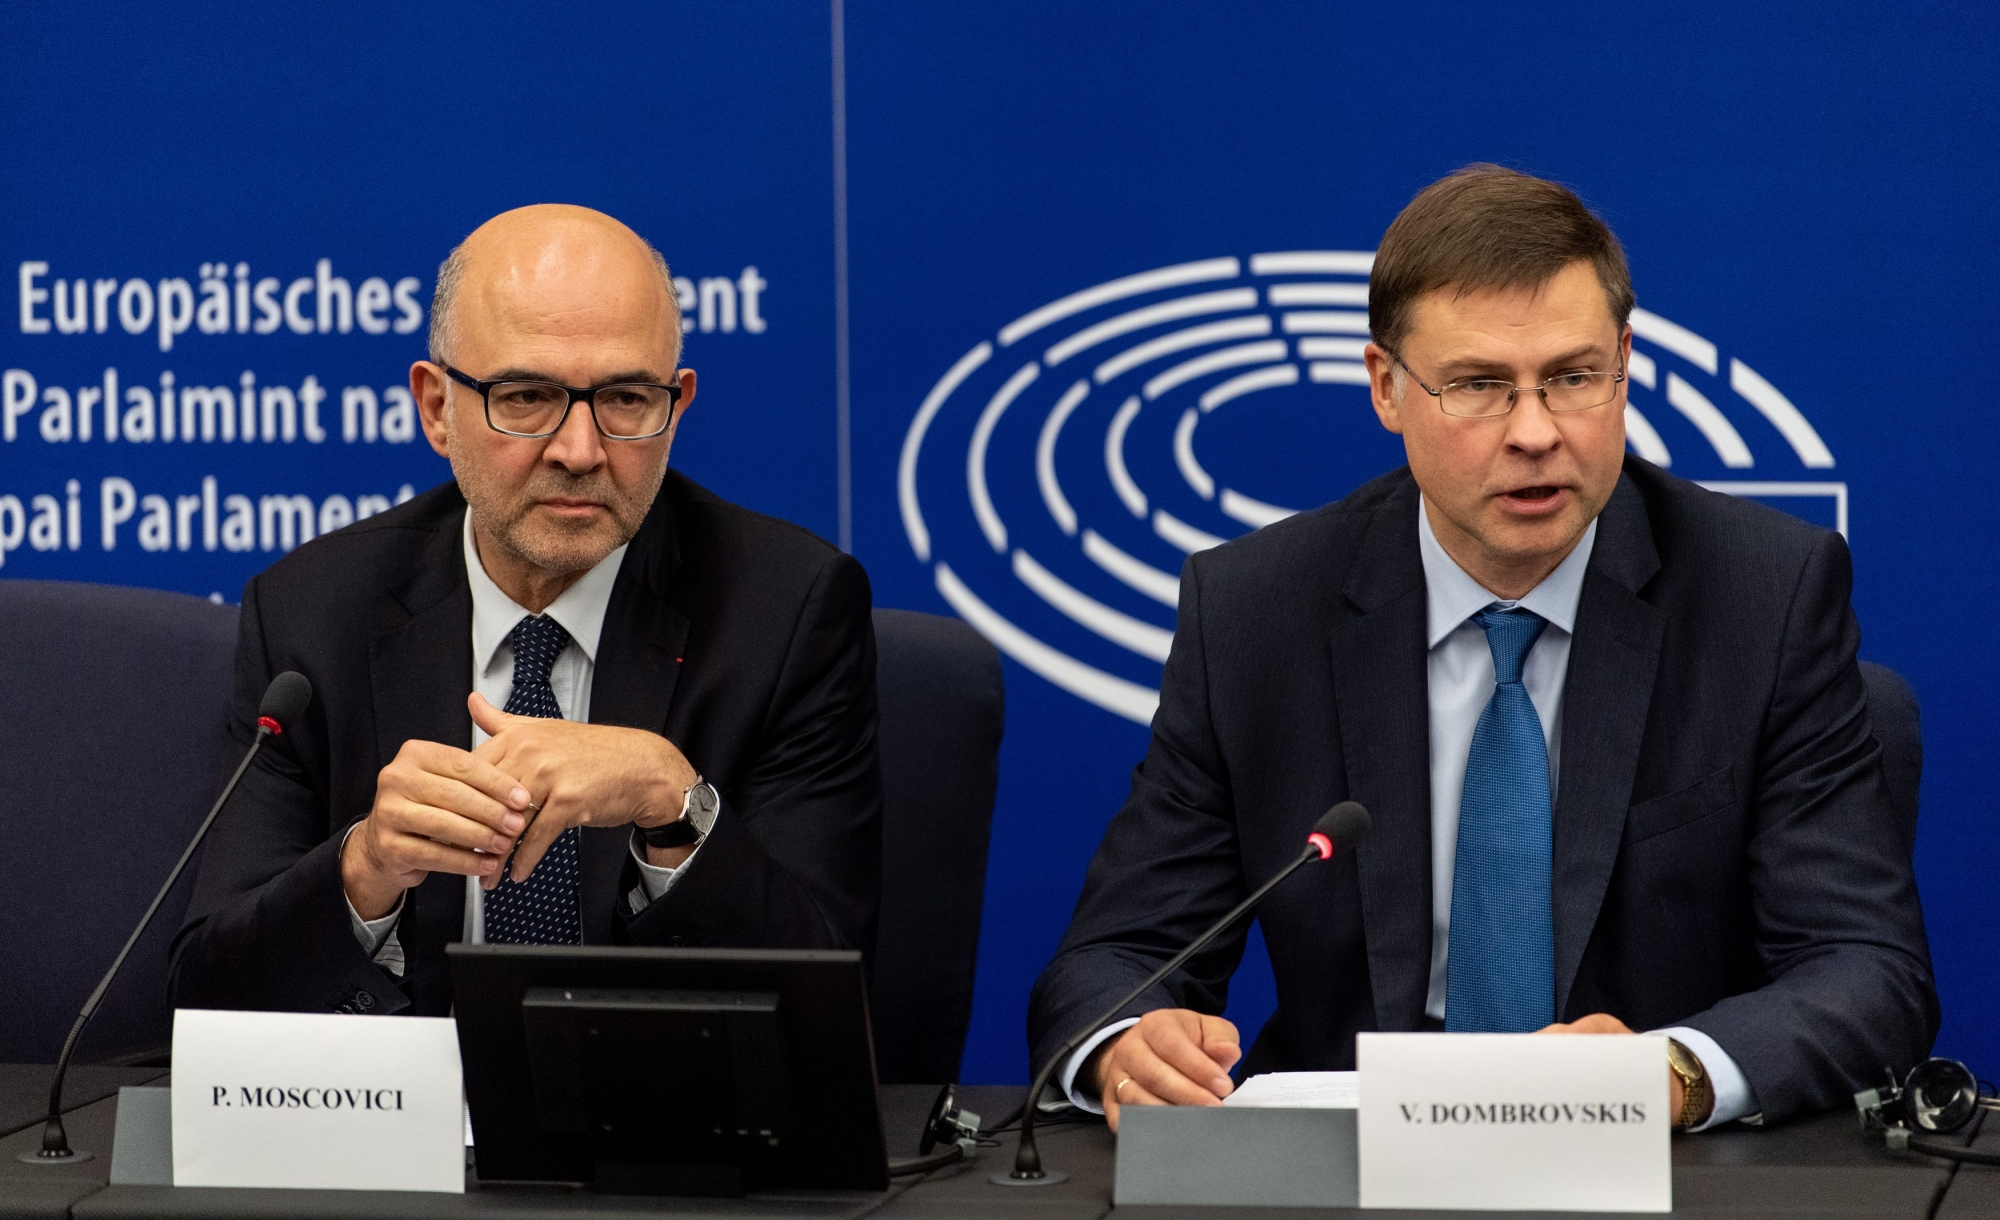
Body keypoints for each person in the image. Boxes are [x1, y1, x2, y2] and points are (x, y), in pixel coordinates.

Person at [1029, 166, 1935, 1132]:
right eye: (1480, 387)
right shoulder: (1257, 611)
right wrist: (1128, 1043)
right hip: (1349, 1178)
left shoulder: (1765, 595)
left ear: (1625, 363)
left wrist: (1670, 1073)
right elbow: (1112, 960)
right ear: (1387, 386)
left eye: (1574, 378)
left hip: (1658, 1169)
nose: (1537, 432)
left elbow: (1867, 971)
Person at [172, 205, 882, 1016]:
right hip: (404, 1127)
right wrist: (363, 871)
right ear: (437, 407)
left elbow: (834, 1000)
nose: (580, 451)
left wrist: (677, 804)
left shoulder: (786, 611)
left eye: (624, 398)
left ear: (676, 405)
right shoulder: (311, 612)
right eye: (527, 396)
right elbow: (207, 999)